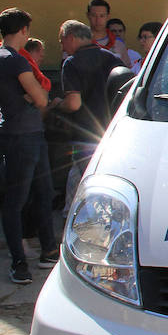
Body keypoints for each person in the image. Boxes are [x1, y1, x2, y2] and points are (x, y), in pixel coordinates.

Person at [0, 8, 59, 285]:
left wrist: (34, 96)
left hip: (27, 133)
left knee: (43, 193)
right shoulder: (14, 61)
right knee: (18, 200)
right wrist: (37, 95)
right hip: (21, 136)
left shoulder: (3, 57)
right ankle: (19, 262)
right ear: (24, 31)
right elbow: (42, 99)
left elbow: (35, 97)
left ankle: (47, 252)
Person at [53, 19, 125, 210]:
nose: (62, 46)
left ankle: (74, 223)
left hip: (84, 135)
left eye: (62, 41)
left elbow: (73, 103)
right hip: (112, 133)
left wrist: (58, 104)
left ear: (71, 37)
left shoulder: (71, 63)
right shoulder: (112, 58)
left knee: (81, 181)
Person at [87, 0, 129, 64]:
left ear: (108, 16)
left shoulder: (118, 43)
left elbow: (126, 69)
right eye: (94, 15)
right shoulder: (80, 42)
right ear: (88, 16)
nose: (98, 20)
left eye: (102, 16)